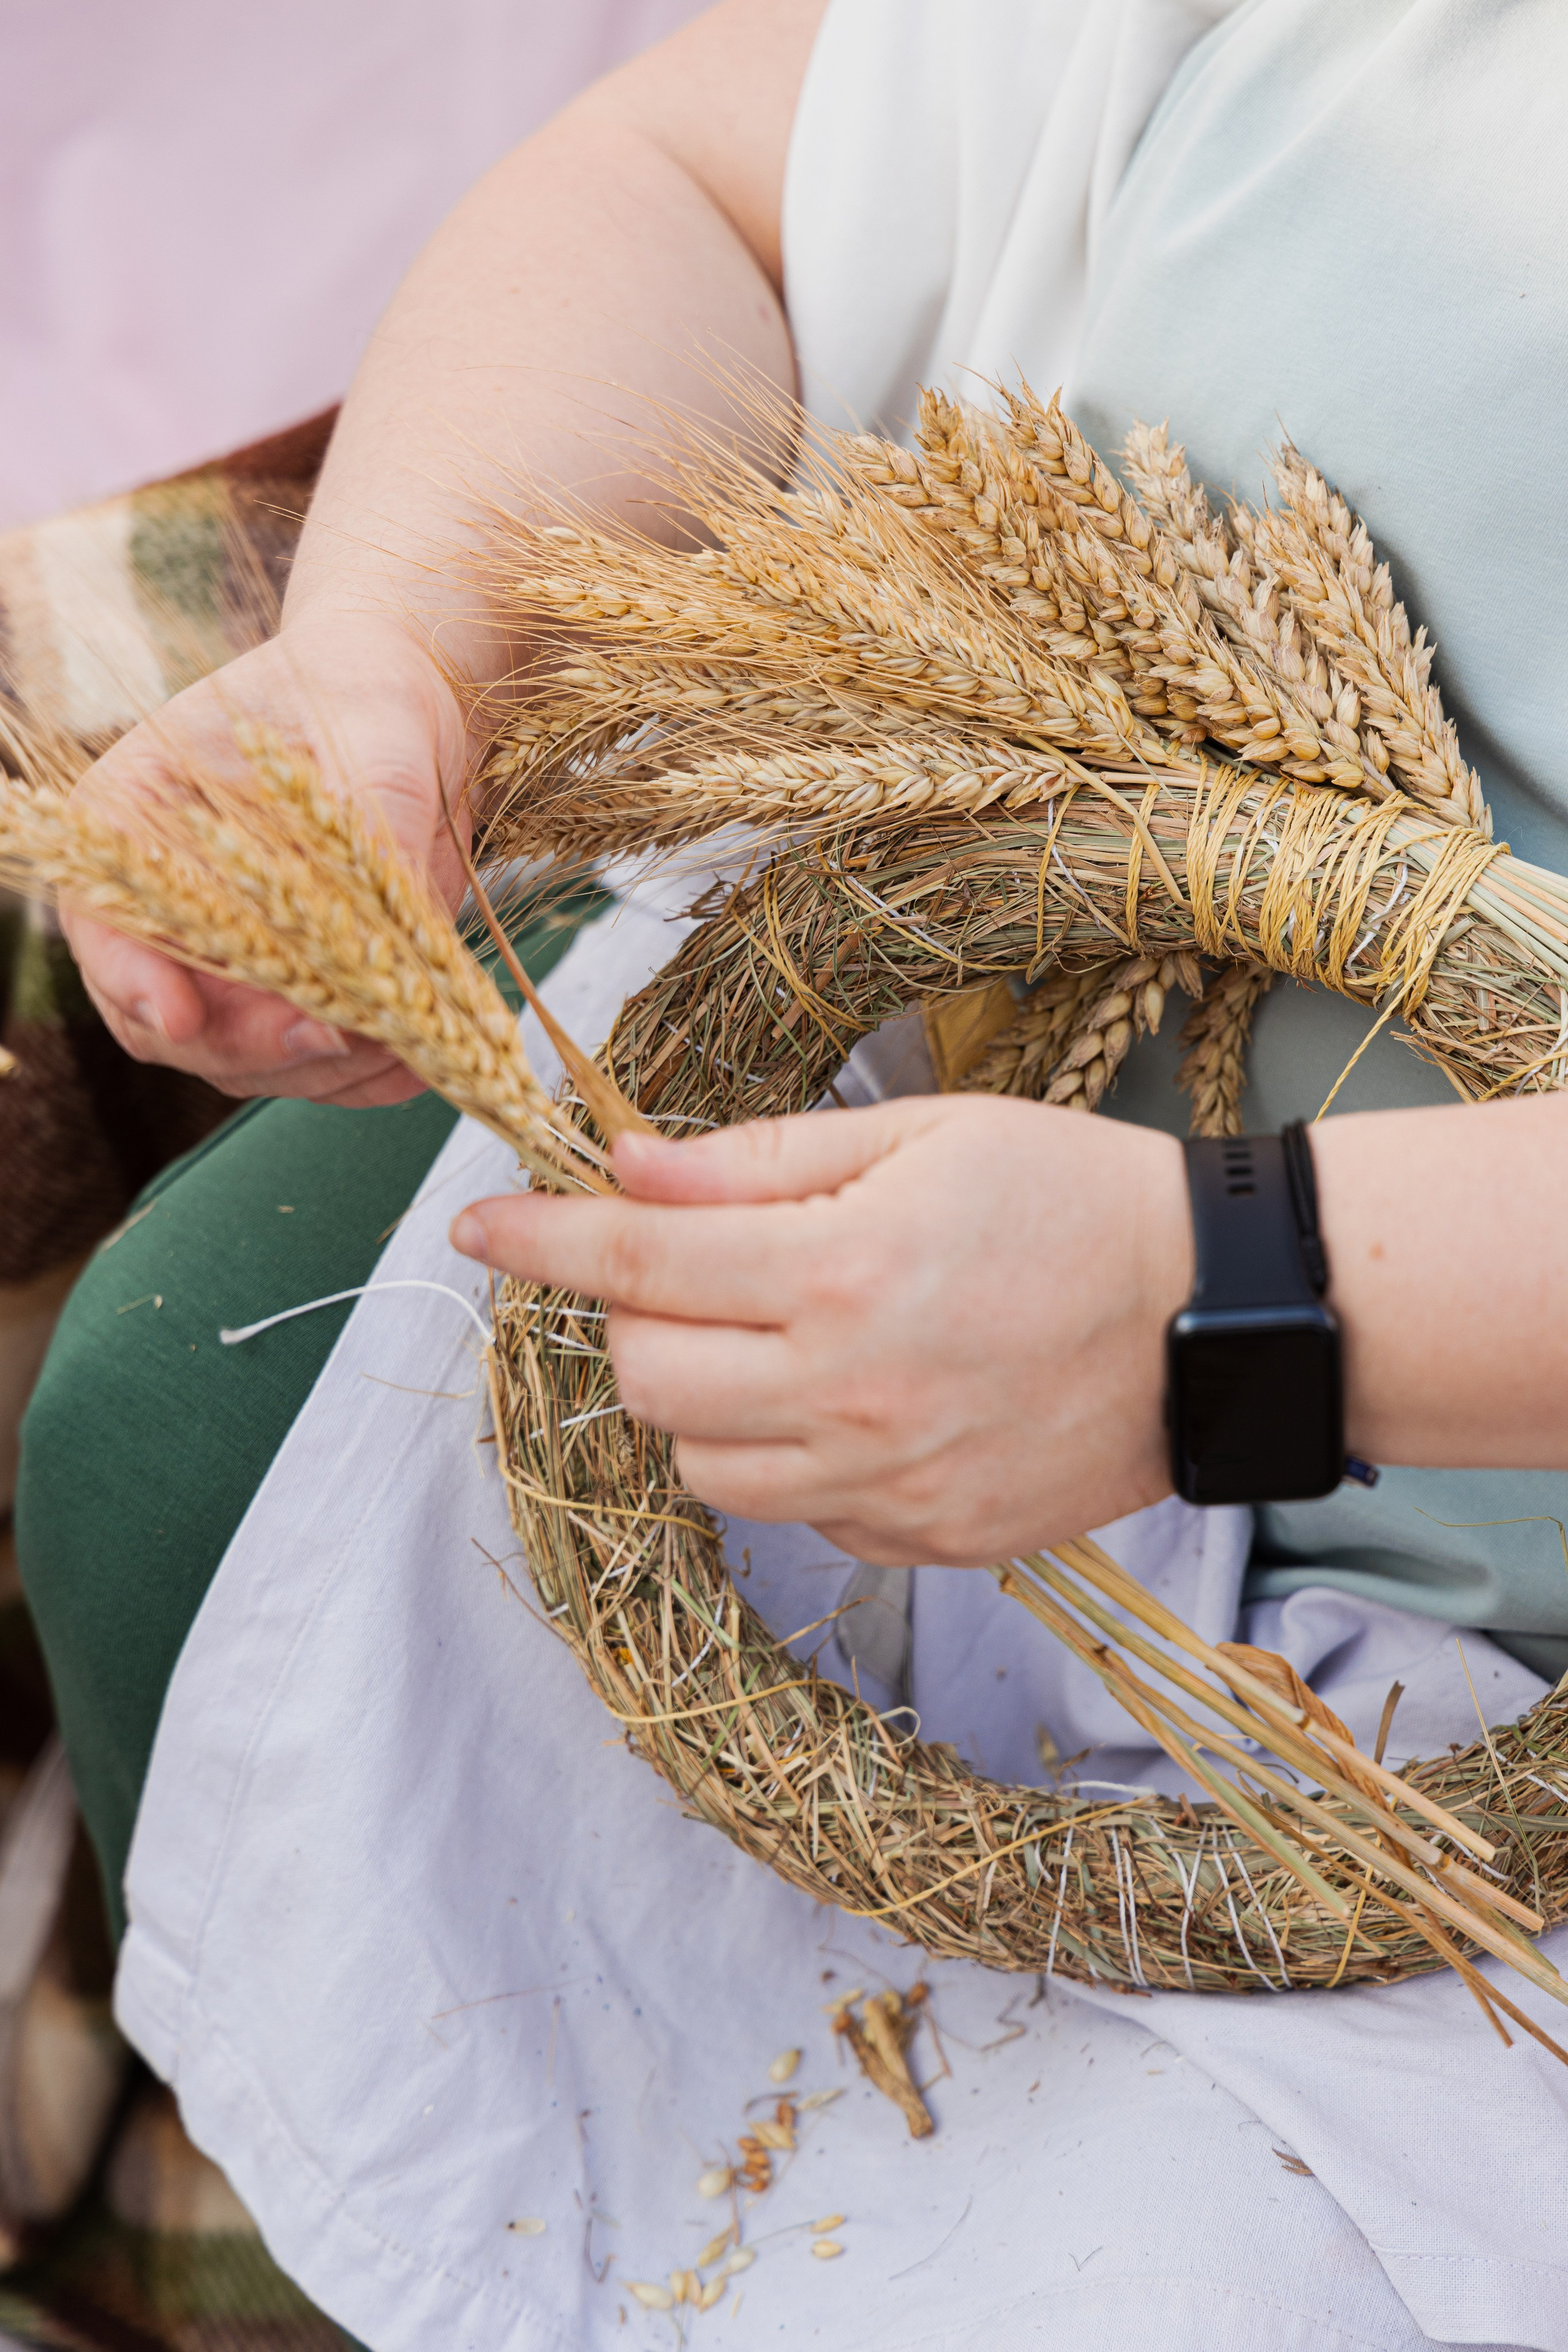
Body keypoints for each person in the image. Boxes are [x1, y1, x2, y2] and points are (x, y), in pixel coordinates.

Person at [18, 4, 1568, 2347]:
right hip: (921, 1116)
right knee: (175, 1414)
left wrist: (1232, 1300)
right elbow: (714, 178)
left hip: (1427, 1579)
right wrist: (410, 653)